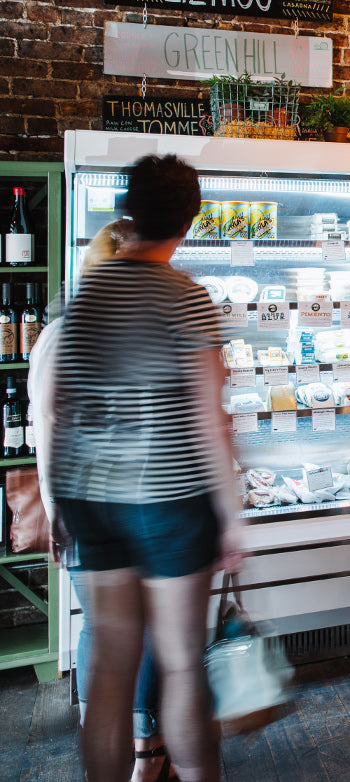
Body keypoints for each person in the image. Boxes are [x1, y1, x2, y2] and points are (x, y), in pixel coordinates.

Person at [48, 154, 243, 782]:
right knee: (183, 663)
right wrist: (231, 514)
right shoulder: (186, 296)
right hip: (168, 500)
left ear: (128, 208)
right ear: (191, 218)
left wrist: (59, 504)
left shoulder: (87, 293)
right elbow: (209, 420)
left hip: (90, 496)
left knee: (109, 665)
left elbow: (63, 408)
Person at [31, 220, 176, 782]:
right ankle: (130, 747)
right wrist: (54, 507)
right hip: (86, 508)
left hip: (136, 505)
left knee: (130, 628)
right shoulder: (63, 335)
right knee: (111, 628)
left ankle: (136, 740)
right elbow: (47, 426)